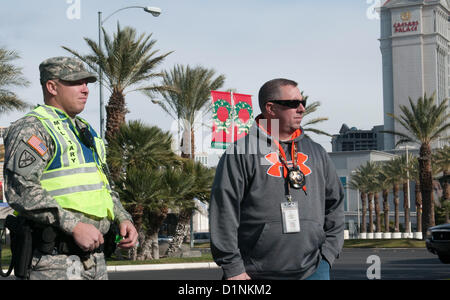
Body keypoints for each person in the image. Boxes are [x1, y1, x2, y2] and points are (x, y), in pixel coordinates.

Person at [3, 56, 138, 280]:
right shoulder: (32, 128)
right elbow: (21, 189)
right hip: (53, 262)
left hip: (95, 260)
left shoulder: (85, 131)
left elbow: (103, 186)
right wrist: (74, 226)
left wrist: (123, 219)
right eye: (76, 82)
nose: (85, 89)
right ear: (52, 87)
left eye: (87, 83)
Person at [210, 78, 344, 280]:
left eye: (302, 102)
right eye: (292, 104)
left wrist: (328, 256)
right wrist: (233, 268)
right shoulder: (240, 152)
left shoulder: (317, 152)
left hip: (314, 271)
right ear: (270, 109)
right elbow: (223, 211)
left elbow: (335, 205)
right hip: (253, 274)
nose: (301, 109)